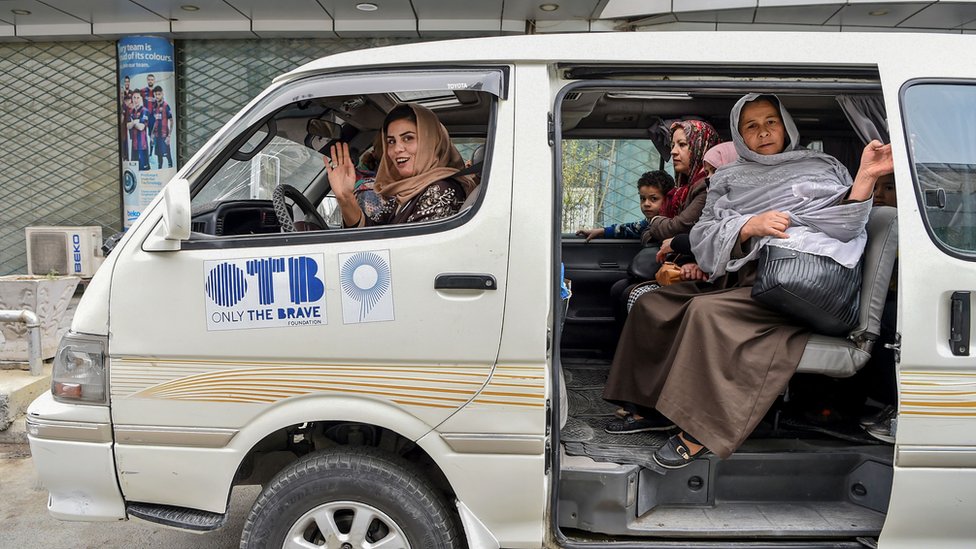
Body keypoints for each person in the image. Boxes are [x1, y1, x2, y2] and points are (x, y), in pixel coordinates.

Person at [602, 93, 893, 469]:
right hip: (741, 276)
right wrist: (746, 225)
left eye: (770, 121)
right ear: (739, 136)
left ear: (785, 124)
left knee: (706, 314)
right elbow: (705, 232)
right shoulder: (728, 177)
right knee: (651, 303)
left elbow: (847, 225)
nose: (763, 132)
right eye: (750, 126)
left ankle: (702, 430)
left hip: (793, 284)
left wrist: (867, 177)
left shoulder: (823, 167)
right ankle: (651, 409)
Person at [326, 103, 476, 227]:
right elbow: (373, 230)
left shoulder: (442, 190)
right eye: (391, 141)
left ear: (431, 142)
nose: (397, 149)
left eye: (408, 138)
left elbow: (407, 253)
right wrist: (345, 198)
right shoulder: (407, 190)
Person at [575, 170, 676, 241]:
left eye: (654, 199)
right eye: (642, 198)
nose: (646, 204)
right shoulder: (648, 223)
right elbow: (628, 229)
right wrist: (602, 231)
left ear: (667, 199)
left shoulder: (673, 224)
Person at [150, 85, 174, 169]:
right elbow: (155, 122)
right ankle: (160, 171)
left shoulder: (166, 106)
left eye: (159, 94)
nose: (157, 96)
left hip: (164, 135)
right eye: (156, 94)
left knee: (168, 155)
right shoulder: (155, 107)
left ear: (162, 94)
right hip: (157, 135)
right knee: (159, 156)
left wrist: (169, 136)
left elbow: (171, 120)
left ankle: (171, 169)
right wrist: (152, 134)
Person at [127, 91, 150, 170]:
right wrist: (134, 122)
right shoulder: (131, 111)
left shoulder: (144, 111)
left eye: (138, 98)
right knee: (135, 170)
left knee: (143, 170)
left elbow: (141, 127)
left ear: (141, 99)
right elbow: (128, 126)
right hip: (134, 145)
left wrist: (133, 123)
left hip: (142, 146)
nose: (136, 100)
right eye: (134, 98)